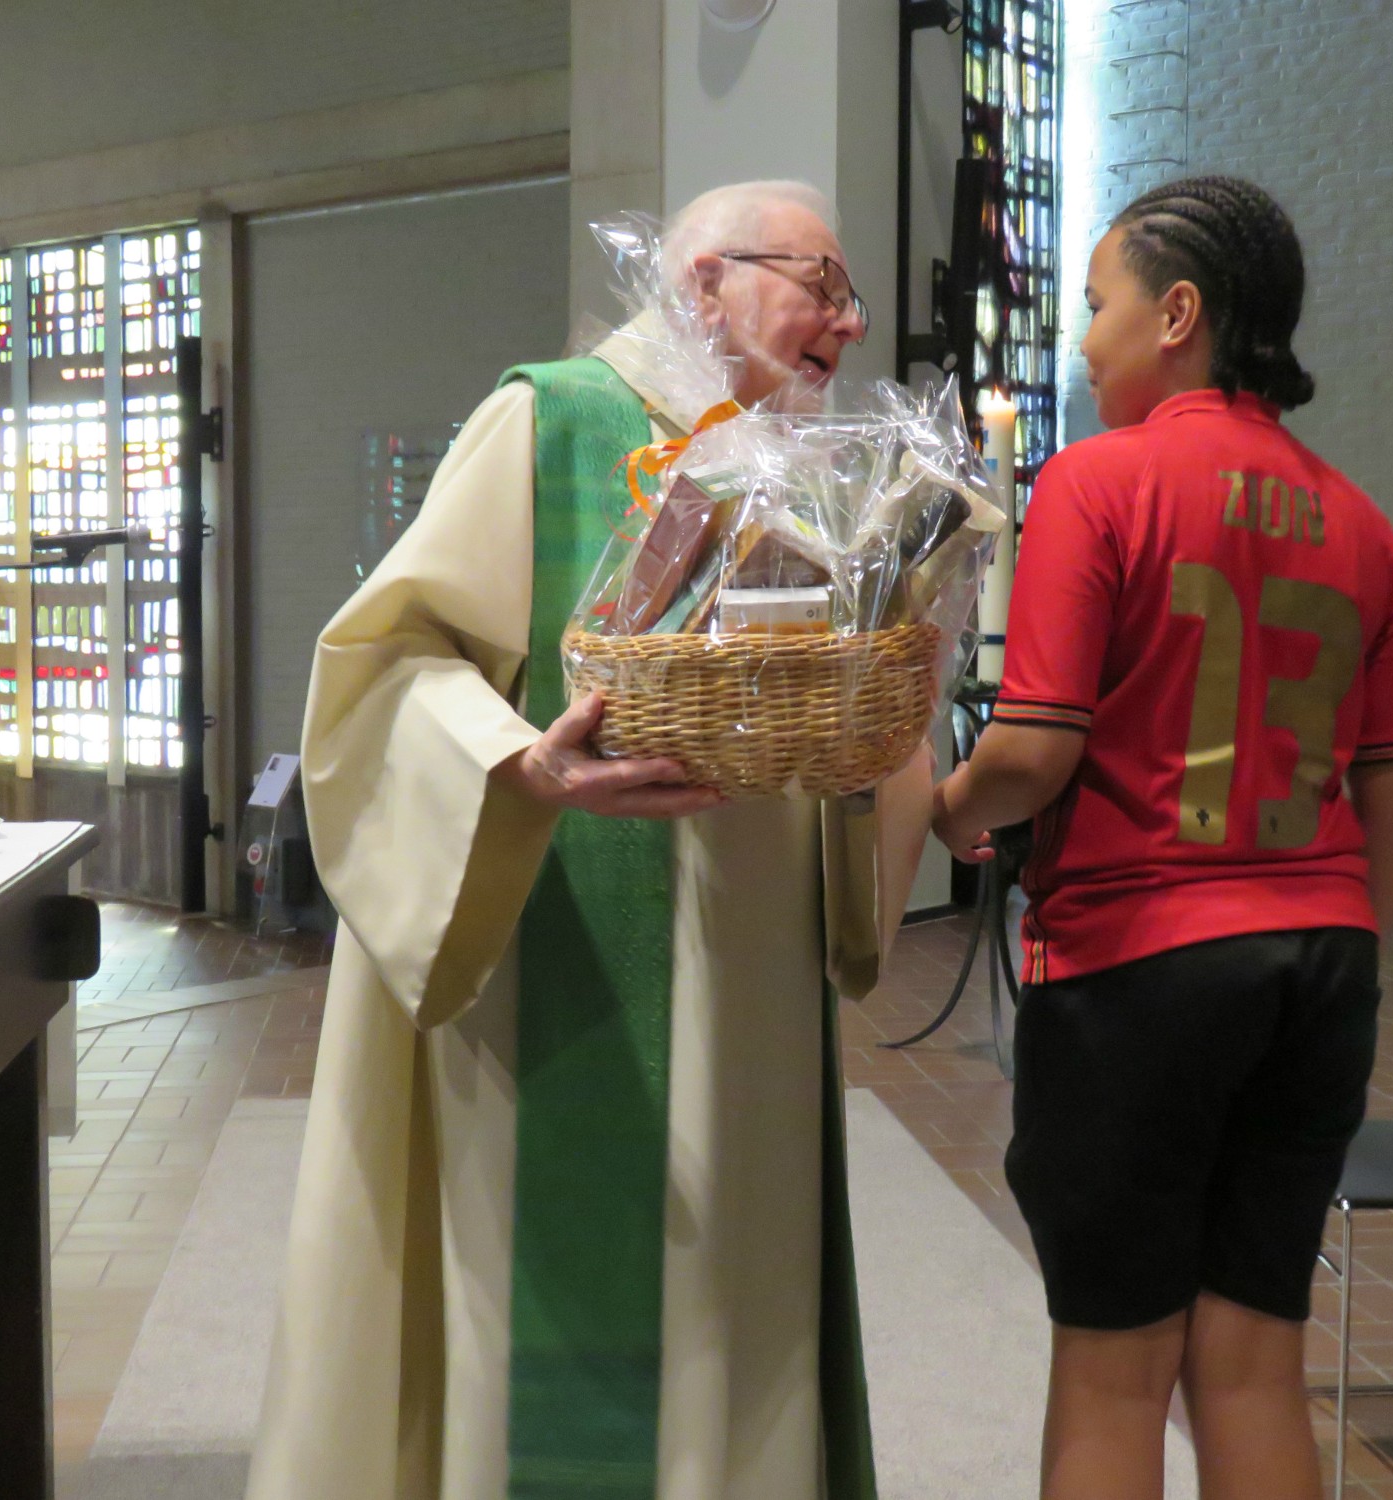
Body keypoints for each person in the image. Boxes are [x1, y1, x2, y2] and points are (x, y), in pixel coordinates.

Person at [246, 180, 931, 1500]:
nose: (846, 326)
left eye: (853, 298)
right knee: (557, 1319)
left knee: (741, 1285)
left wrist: (885, 731)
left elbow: (860, 749)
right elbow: (385, 664)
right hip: (561, 973)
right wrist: (517, 761)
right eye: (820, 286)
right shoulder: (553, 419)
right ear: (704, 282)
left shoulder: (814, 476)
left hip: (751, 998)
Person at [931, 176, 1393, 1500]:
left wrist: (945, 812)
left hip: (1142, 966)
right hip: (1322, 970)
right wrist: (1342, 931)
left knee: (1115, 1369)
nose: (1084, 337)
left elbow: (1035, 754)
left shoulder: (1098, 485)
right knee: (1252, 1365)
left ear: (1180, 315)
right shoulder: (1362, 522)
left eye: (1099, 305)